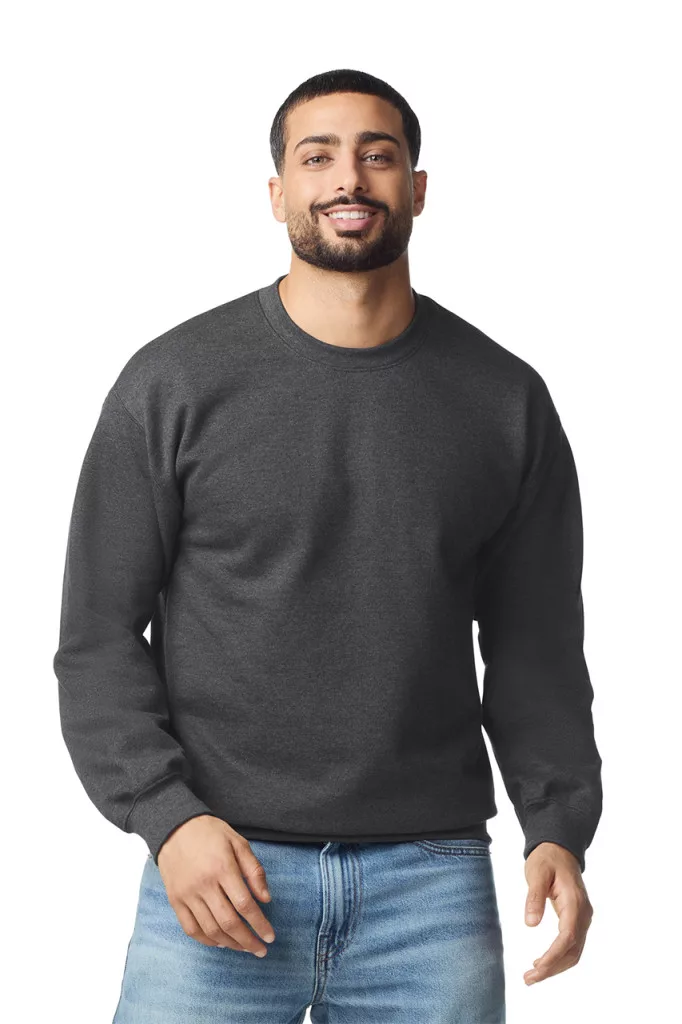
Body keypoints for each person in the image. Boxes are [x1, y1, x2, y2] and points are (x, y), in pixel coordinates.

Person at [53, 68, 602, 1023]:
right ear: (277, 194)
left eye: (376, 155)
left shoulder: (504, 400)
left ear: (417, 188)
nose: (348, 177)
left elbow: (537, 647)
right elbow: (97, 638)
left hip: (429, 884)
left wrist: (557, 824)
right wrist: (166, 818)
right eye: (318, 157)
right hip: (220, 869)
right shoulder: (173, 383)